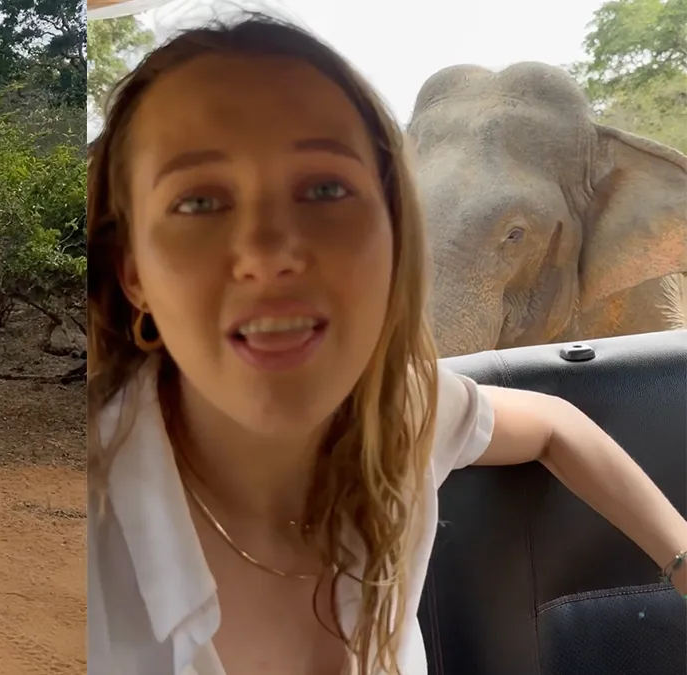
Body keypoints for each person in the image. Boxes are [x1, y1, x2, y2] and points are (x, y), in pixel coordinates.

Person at [84, 14, 687, 675]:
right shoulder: (92, 525)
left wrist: (680, 556)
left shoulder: (399, 408)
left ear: (394, 236)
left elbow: (553, 422)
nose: (270, 254)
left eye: (326, 189)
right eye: (198, 201)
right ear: (131, 268)